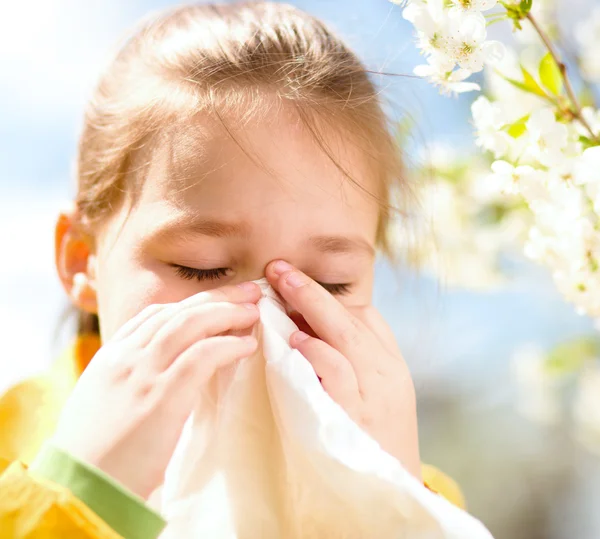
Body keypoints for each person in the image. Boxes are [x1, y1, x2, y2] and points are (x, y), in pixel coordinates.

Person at [0, 2, 465, 537]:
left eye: (329, 283)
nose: (265, 318)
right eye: (202, 269)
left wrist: (389, 500)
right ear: (83, 260)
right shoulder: (16, 459)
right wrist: (80, 496)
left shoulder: (421, 499)